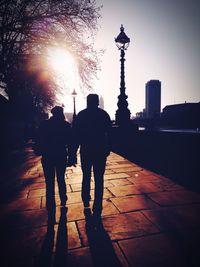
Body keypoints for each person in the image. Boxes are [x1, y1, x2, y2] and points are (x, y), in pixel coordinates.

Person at [72, 94, 112, 224]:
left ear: (87, 102)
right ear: (97, 102)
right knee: (99, 178)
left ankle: (85, 199)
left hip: (86, 150)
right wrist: (108, 148)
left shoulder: (81, 115)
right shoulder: (104, 115)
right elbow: (110, 134)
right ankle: (98, 204)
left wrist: (73, 152)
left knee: (86, 175)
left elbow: (76, 135)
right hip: (100, 150)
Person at [36, 106, 73, 223]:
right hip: (61, 155)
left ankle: (50, 203)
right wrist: (71, 156)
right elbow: (70, 142)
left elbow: (38, 139)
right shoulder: (65, 125)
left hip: (47, 156)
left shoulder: (44, 125)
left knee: (49, 182)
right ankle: (63, 198)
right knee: (61, 179)